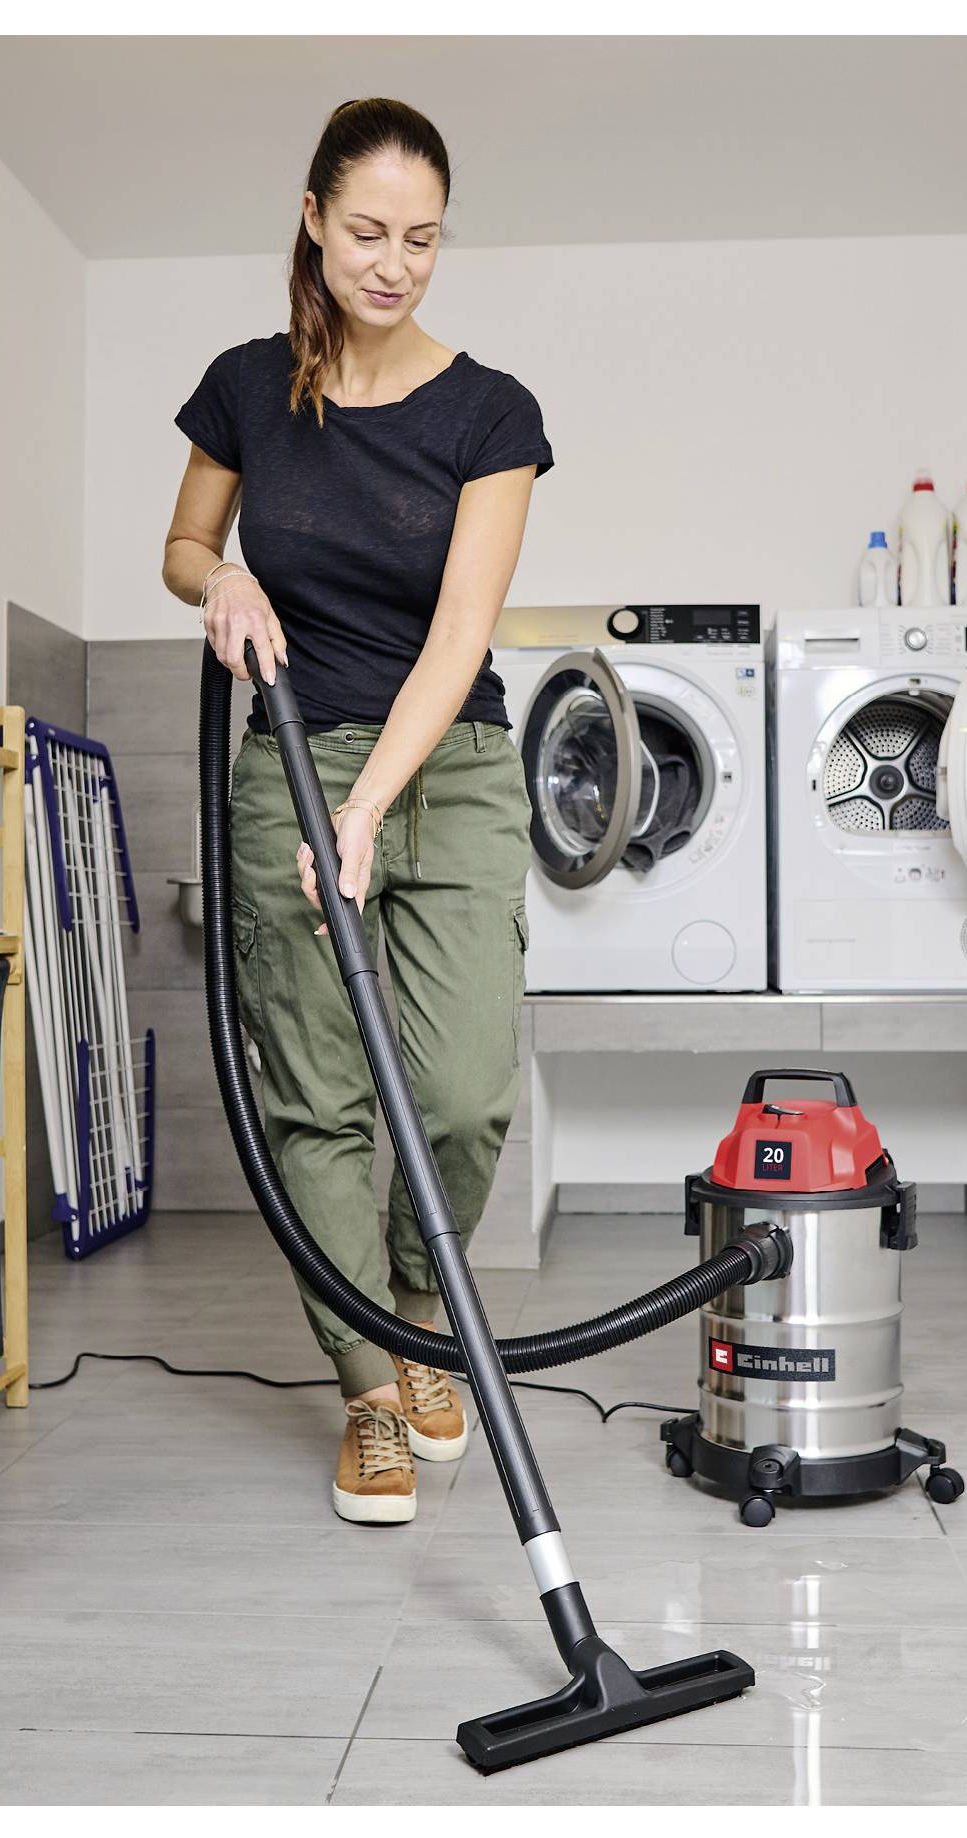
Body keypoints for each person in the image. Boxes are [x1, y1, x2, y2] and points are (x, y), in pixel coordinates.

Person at [161, 99, 552, 1525]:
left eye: (424, 239)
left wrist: (372, 804)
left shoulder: (490, 412)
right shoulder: (246, 388)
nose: (395, 263)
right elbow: (184, 541)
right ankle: (372, 1393)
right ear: (315, 217)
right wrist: (222, 582)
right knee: (316, 1091)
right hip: (283, 753)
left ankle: (409, 1298)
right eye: (370, 231)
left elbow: (458, 639)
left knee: (457, 1090)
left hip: (441, 766)